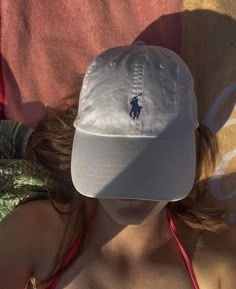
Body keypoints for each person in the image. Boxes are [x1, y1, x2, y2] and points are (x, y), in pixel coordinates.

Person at [0, 42, 235, 289]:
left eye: (151, 162)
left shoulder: (219, 258)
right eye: (114, 160)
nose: (130, 190)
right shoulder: (37, 232)